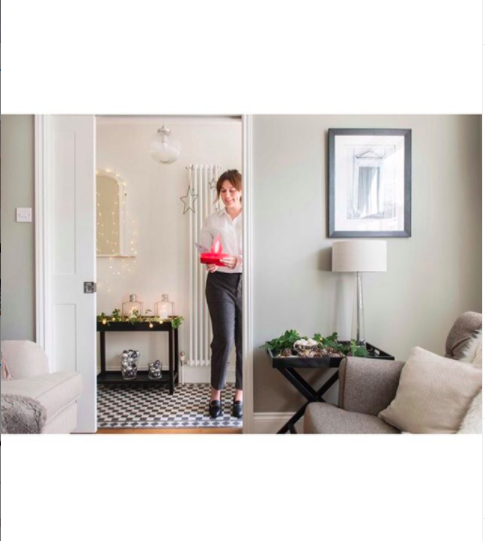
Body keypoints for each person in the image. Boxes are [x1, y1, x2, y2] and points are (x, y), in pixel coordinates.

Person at [199, 169, 243, 419]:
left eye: (232, 190)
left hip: (246, 281)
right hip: (219, 283)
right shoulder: (213, 220)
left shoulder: (251, 217)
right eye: (223, 191)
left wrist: (239, 259)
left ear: (240, 191)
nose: (227, 195)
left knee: (242, 340)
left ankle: (240, 394)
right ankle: (215, 394)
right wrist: (209, 261)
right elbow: (205, 249)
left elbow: (260, 251)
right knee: (224, 339)